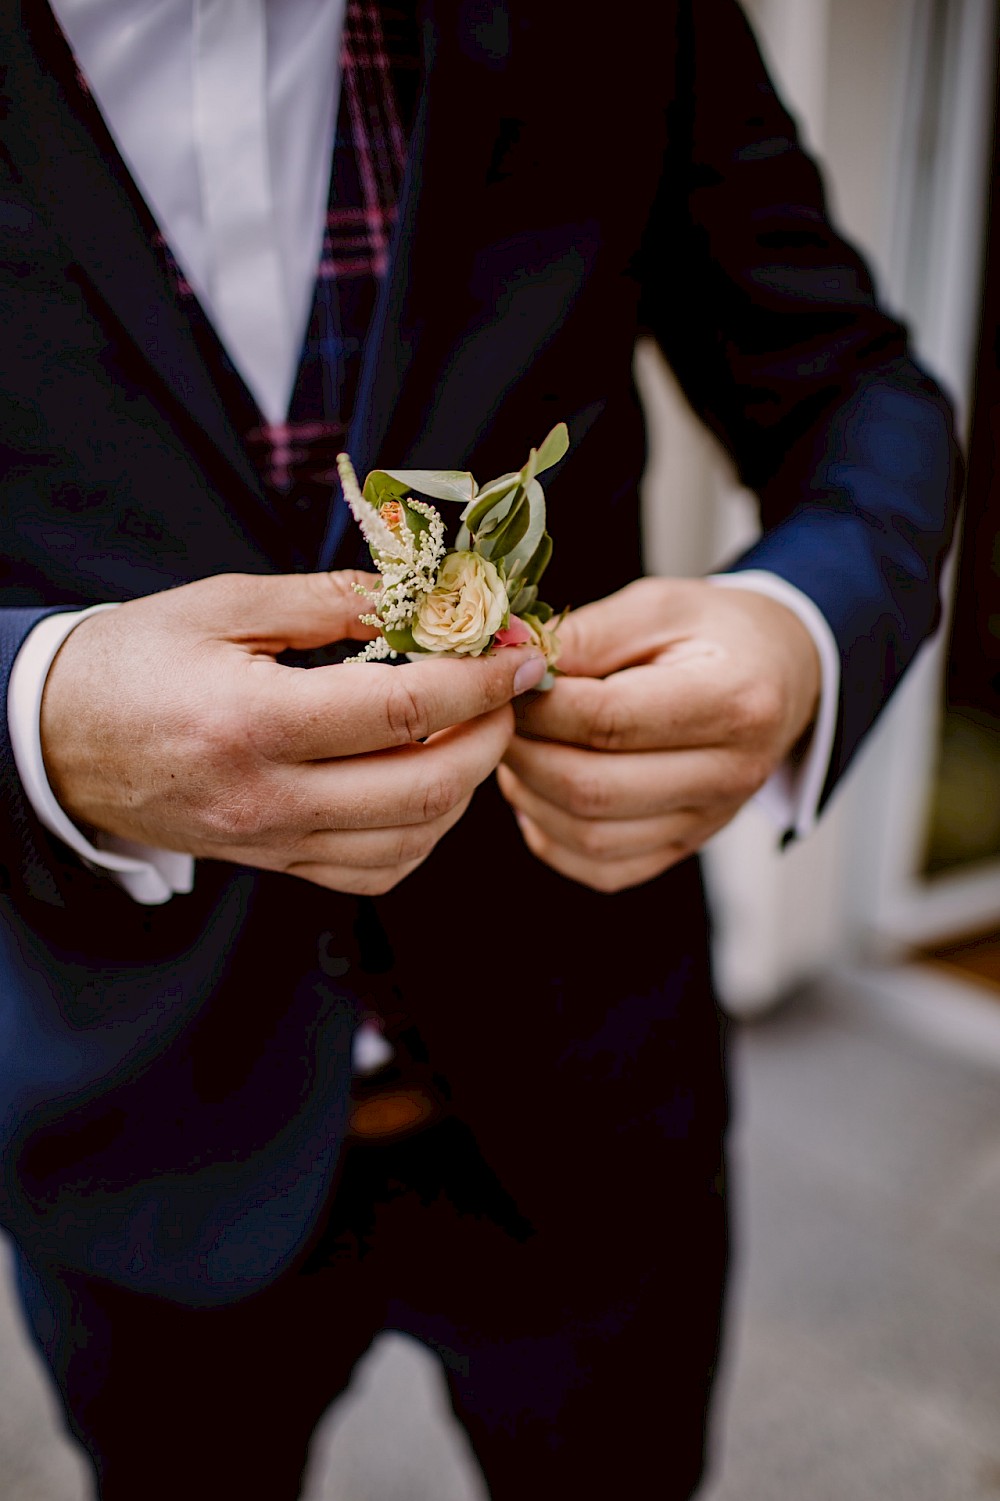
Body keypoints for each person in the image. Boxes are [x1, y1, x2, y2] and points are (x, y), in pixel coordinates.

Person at [0, 0, 961, 1497]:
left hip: (585, 1079)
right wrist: (30, 705)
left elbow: (851, 386)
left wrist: (799, 632)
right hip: (133, 1113)